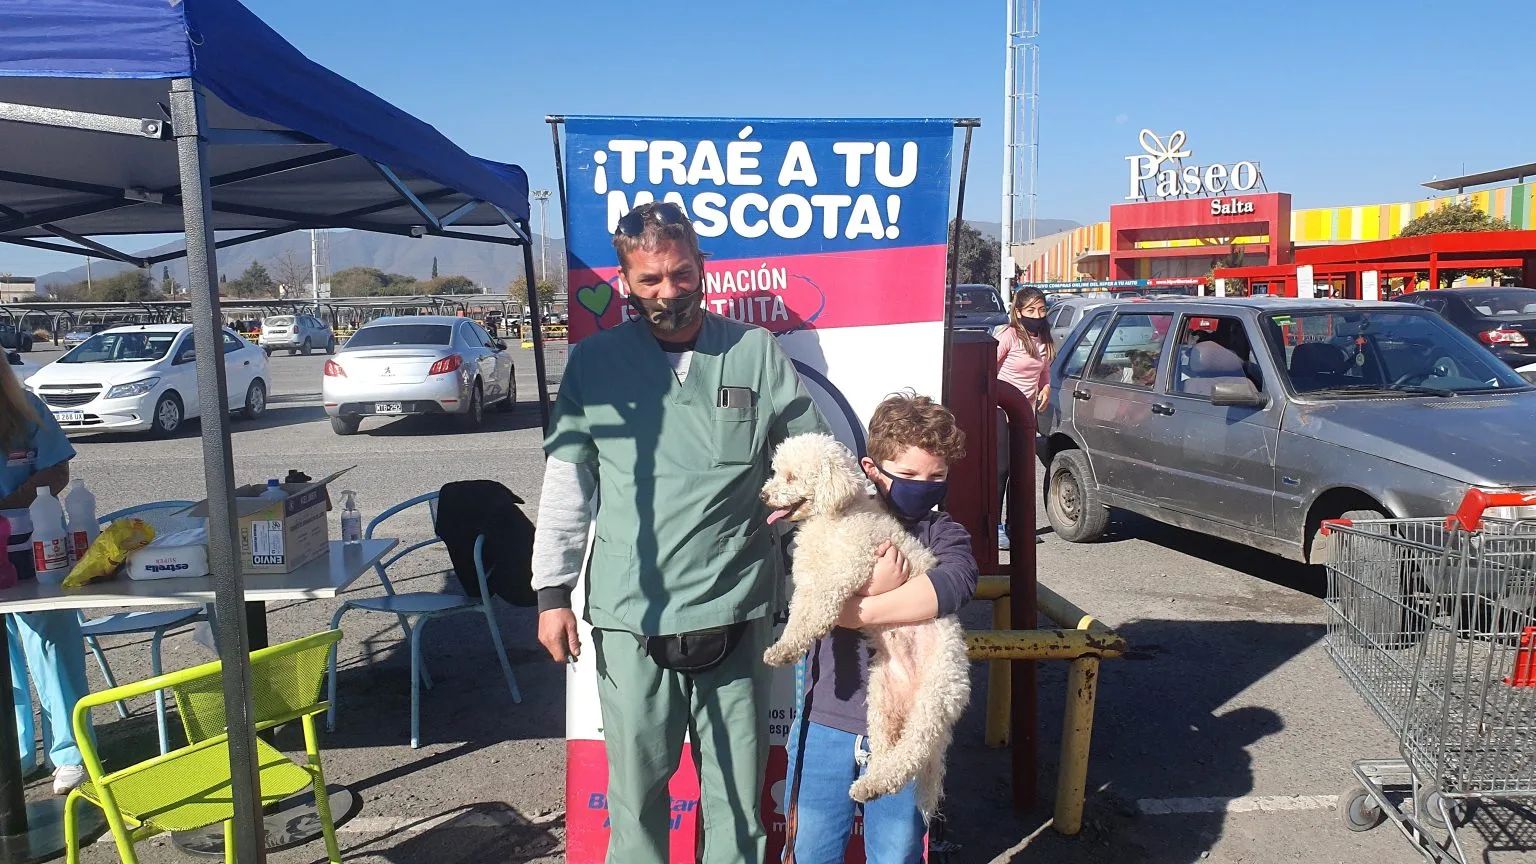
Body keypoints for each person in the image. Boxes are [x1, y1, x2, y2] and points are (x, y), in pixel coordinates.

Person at [531, 201, 828, 864]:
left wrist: (798, 506)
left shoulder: (753, 351)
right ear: (624, 282)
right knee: (635, 794)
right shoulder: (595, 364)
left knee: (737, 793)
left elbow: (811, 453)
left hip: (736, 604)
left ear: (702, 268)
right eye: (650, 280)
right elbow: (567, 486)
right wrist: (551, 594)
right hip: (632, 613)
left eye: (681, 274)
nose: (669, 291)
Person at [782, 392, 978, 864]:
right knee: (811, 849)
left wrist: (867, 599)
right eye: (907, 475)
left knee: (896, 852)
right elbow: (809, 596)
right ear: (872, 469)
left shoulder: (942, 532)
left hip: (905, 722)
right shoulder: (834, 519)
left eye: (936, 477)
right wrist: (888, 590)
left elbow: (951, 585)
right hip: (826, 717)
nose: (923, 486)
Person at [0, 360, 91, 794]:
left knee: (52, 648)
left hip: (36, 549)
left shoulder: (28, 411)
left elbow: (58, 470)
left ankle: (72, 752)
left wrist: (17, 498)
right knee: (5, 661)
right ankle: (15, 751)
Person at [993, 286, 1054, 550]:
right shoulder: (1008, 336)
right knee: (1002, 470)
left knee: (1023, 471)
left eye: (1041, 310)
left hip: (1026, 414)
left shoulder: (1044, 337)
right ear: (1018, 312)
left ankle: (1015, 525)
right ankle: (993, 528)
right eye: (1030, 310)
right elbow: (987, 367)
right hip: (1001, 412)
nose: (1037, 315)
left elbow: (1044, 369)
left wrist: (1046, 386)